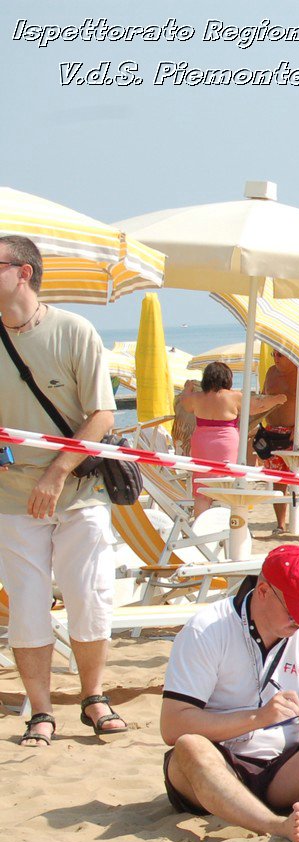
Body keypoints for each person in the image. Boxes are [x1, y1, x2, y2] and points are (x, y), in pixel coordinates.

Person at [160, 545, 299, 842]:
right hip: (213, 766)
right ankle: (274, 825)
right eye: (294, 610)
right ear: (262, 591)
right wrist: (257, 718)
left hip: (281, 770)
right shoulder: (207, 628)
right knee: (189, 747)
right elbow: (172, 726)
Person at [0, 234, 124, 746]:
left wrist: (56, 474)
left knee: (88, 596)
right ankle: (41, 712)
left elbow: (102, 413)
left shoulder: (73, 330)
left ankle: (93, 697)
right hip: (11, 496)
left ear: (23, 272)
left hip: (79, 490)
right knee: (27, 606)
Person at [180, 361, 286, 512]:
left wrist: (187, 388)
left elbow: (184, 403)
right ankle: (228, 520)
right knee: (227, 482)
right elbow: (258, 405)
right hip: (225, 442)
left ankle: (199, 525)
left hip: (201, 442)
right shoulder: (233, 397)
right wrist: (276, 400)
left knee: (201, 488)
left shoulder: (196, 397)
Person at [256, 348, 299, 533]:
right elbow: (264, 400)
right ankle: (280, 524)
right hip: (272, 431)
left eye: (280, 355)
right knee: (278, 479)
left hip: (297, 431)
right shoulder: (271, 372)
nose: (276, 359)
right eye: (274, 355)